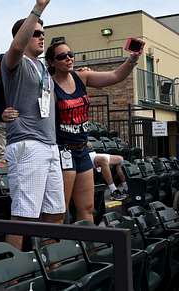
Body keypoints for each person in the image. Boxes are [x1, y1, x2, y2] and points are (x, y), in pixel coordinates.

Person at [45, 39, 141, 220]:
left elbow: (115, 76)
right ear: (51, 62)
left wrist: (133, 58)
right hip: (62, 152)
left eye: (70, 54)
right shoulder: (49, 85)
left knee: (87, 207)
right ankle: (54, 246)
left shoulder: (81, 77)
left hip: (82, 151)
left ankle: (87, 248)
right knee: (60, 210)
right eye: (62, 56)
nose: (68, 58)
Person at [0, 0, 64, 250]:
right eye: (36, 33)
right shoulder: (15, 61)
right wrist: (38, 9)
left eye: (42, 32)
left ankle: (49, 263)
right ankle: (11, 276)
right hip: (27, 145)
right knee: (23, 217)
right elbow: (15, 47)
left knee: (56, 212)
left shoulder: (43, 68)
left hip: (49, 146)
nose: (41, 36)